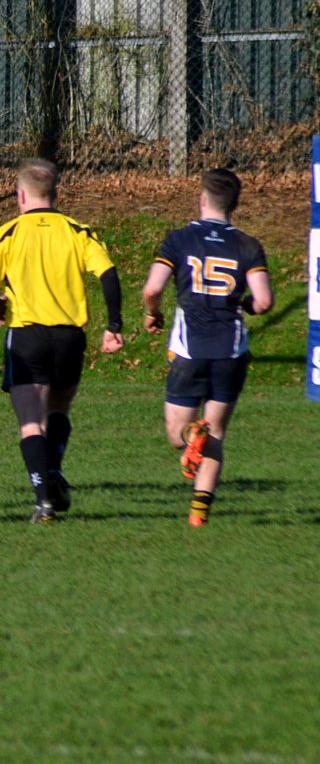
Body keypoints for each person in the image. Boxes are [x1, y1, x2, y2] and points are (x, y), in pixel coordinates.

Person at [0, 157, 123, 523]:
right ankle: (53, 468)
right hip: (69, 338)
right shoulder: (77, 230)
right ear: (55, 194)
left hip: (27, 336)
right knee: (58, 411)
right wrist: (114, 324)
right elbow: (108, 274)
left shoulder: (10, 231)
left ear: (21, 195)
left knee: (31, 422)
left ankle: (44, 502)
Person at [139, 167, 272, 527]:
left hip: (189, 349)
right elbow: (263, 301)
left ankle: (190, 435)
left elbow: (152, 289)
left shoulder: (180, 239)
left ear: (202, 199)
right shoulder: (247, 245)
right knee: (217, 432)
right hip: (231, 351)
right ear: (235, 204)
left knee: (177, 433)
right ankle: (199, 513)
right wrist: (245, 306)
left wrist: (153, 313)